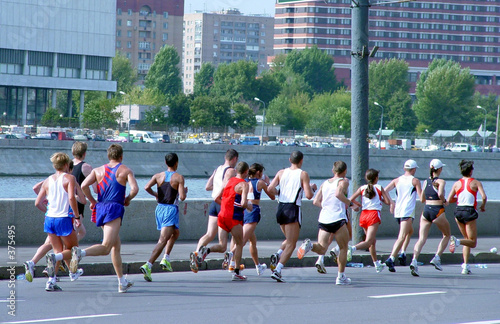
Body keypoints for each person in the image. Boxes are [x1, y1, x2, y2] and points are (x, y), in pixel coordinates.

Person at [71, 144, 139, 293]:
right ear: (121, 156)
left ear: (109, 156)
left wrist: (93, 201)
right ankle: (80, 253)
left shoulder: (97, 170)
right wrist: (127, 199)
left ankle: (122, 282)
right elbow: (135, 189)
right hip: (114, 209)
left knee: (116, 246)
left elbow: (83, 185)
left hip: (101, 208)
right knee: (107, 247)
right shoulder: (125, 170)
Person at [297, 161, 359, 285]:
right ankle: (340, 277)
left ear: (333, 170)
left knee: (321, 249)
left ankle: (309, 246)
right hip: (338, 218)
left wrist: (326, 207)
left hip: (324, 218)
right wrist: (352, 204)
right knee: (343, 248)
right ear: (345, 171)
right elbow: (338, 194)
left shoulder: (324, 183)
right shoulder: (344, 181)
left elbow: (315, 201)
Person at [25, 162, 86, 282]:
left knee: (58, 249)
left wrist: (47, 209)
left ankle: (52, 280)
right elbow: (79, 199)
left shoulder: (49, 180)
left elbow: (37, 202)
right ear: (67, 166)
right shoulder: (70, 178)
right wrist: (77, 216)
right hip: (63, 218)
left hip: (50, 218)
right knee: (73, 251)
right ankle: (55, 264)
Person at [267, 151, 317, 282]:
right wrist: (312, 188)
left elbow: (270, 188)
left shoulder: (281, 172)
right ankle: (278, 270)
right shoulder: (303, 174)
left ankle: (278, 254)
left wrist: (280, 192)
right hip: (293, 208)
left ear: (290, 160)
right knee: (292, 243)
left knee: (289, 239)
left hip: (281, 207)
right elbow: (309, 195)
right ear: (301, 161)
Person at [197, 162, 251, 280]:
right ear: (246, 172)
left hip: (222, 215)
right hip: (234, 217)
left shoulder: (229, 181)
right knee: (239, 243)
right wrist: (248, 205)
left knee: (222, 246)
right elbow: (243, 203)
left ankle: (206, 249)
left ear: (236, 171)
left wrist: (227, 205)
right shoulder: (244, 184)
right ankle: (236, 272)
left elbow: (217, 197)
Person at [330, 169, 391, 273]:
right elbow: (388, 202)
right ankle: (351, 248)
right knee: (369, 241)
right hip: (374, 214)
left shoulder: (362, 188)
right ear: (376, 178)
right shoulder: (379, 187)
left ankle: (376, 264)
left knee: (372, 241)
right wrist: (380, 198)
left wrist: (358, 204)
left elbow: (350, 199)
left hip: (364, 215)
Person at [140, 153, 187, 281]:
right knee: (163, 239)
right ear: (176, 163)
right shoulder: (179, 178)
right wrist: (184, 191)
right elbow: (182, 197)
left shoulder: (158, 176)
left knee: (175, 233)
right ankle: (148, 264)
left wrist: (156, 194)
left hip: (159, 208)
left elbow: (146, 187)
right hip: (170, 210)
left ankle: (166, 258)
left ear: (166, 163)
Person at [189, 149, 238, 273]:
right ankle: (233, 264)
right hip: (222, 204)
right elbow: (226, 186)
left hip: (213, 205)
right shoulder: (231, 171)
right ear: (234, 159)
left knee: (209, 234)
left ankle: (196, 253)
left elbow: (207, 187)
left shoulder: (218, 169)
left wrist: (216, 192)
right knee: (223, 245)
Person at [223, 163, 275, 275]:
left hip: (243, 211)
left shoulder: (245, 182)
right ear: (258, 173)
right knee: (242, 241)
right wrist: (268, 183)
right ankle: (231, 255)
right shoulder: (260, 183)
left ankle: (258, 266)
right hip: (253, 211)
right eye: (261, 173)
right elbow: (272, 196)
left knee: (252, 240)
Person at [409, 159, 451, 277]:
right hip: (438, 210)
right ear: (440, 169)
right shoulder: (441, 181)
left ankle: (414, 260)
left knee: (421, 238)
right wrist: (445, 201)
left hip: (426, 210)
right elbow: (440, 194)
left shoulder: (426, 181)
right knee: (446, 235)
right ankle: (437, 258)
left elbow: (422, 199)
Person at [447, 160, 487, 275]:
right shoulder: (476, 183)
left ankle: (465, 266)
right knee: (473, 242)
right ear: (470, 171)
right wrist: (483, 206)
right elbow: (484, 197)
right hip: (469, 211)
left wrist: (459, 199)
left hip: (458, 211)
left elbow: (449, 199)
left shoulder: (456, 183)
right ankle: (456, 241)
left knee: (467, 239)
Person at [383, 159, 422, 272]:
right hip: (407, 211)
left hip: (399, 211)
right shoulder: (415, 181)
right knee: (402, 235)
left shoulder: (397, 180)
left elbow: (384, 190)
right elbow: (421, 197)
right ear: (414, 169)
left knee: (410, 232)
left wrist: (391, 202)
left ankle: (403, 253)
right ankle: (391, 258)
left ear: (405, 169)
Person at [71, 141, 96, 241]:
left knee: (82, 232)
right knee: (73, 236)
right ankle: (62, 255)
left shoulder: (66, 165)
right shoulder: (86, 167)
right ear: (84, 153)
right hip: (78, 204)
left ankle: (67, 254)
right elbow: (96, 189)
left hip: (65, 202)